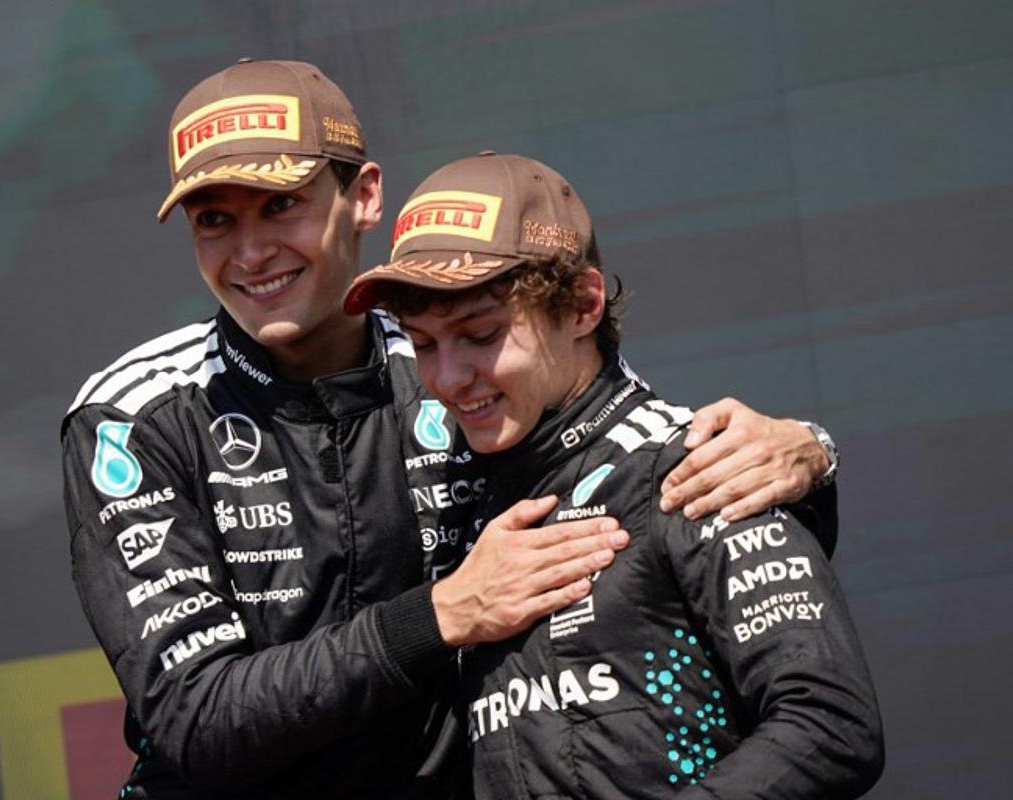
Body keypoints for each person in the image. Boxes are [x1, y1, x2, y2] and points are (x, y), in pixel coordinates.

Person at [61, 60, 842, 799]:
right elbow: (195, 719)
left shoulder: (454, 362)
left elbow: (638, 461)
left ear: (364, 196)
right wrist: (444, 613)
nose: (252, 250)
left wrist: (803, 455)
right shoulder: (134, 417)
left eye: (281, 205)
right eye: (214, 221)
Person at [344, 152, 883, 799]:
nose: (449, 379)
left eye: (482, 335)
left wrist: (815, 451)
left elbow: (830, 725)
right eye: (424, 344)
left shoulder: (699, 468)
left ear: (582, 305)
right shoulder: (468, 511)